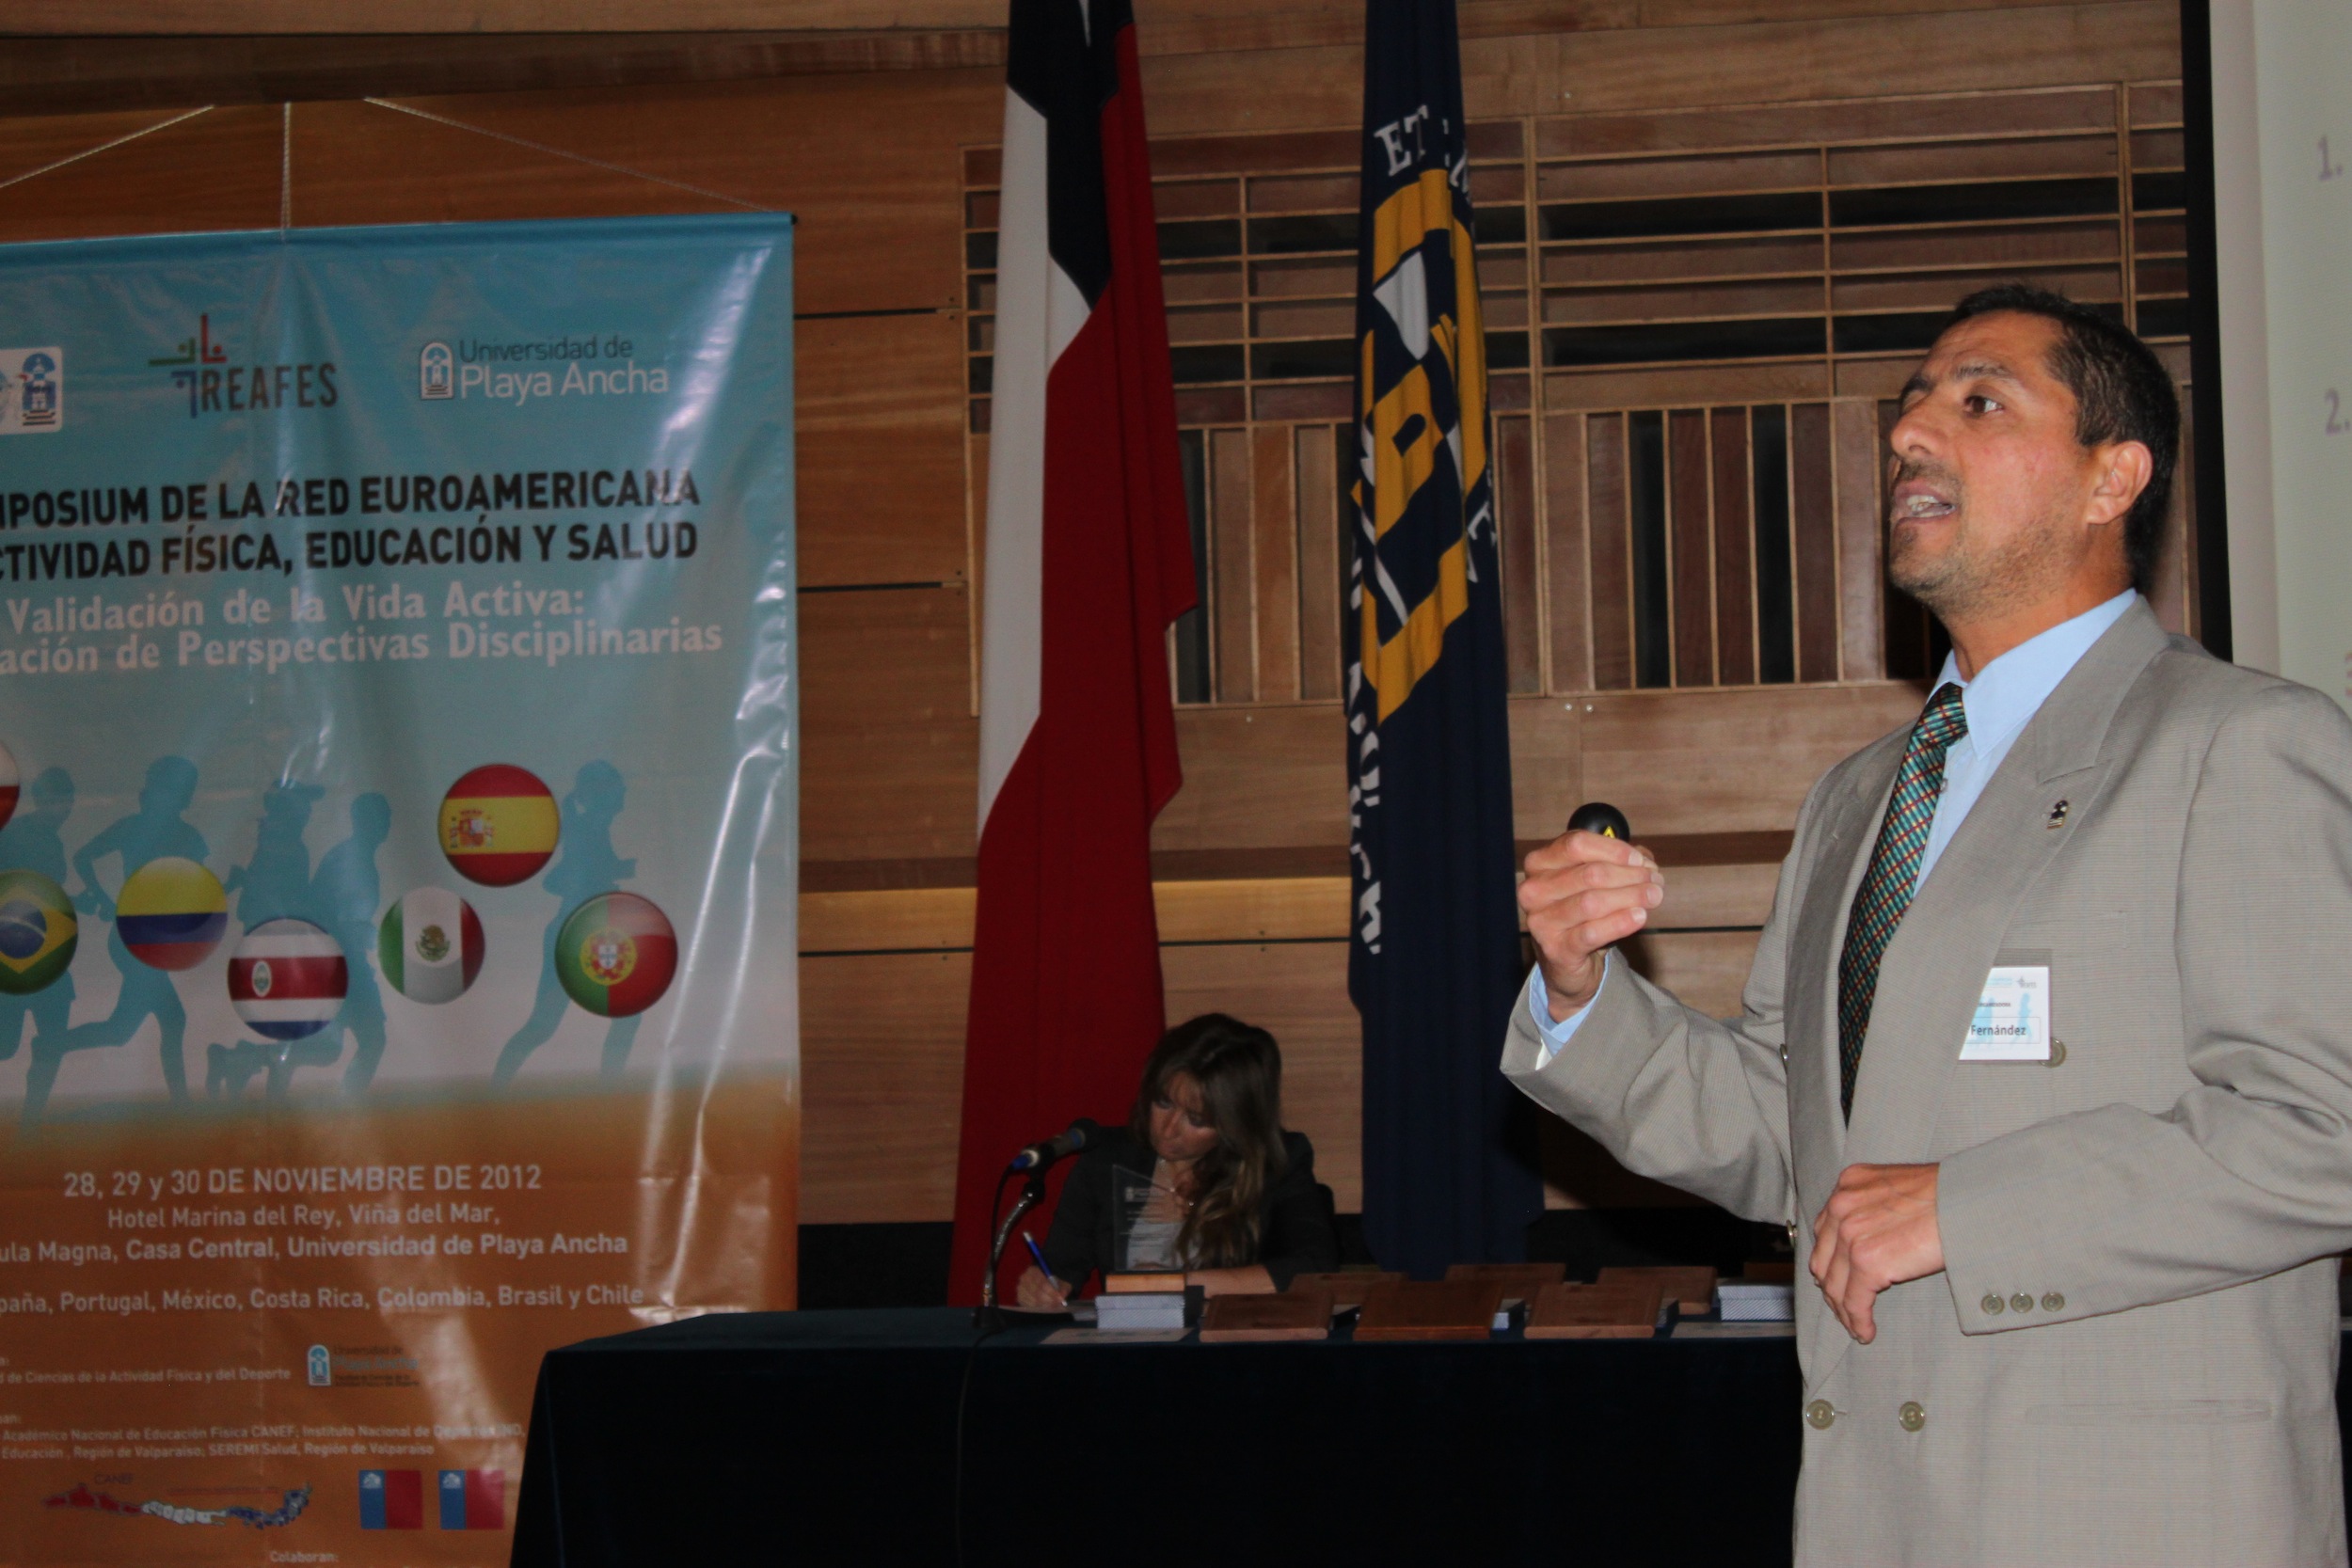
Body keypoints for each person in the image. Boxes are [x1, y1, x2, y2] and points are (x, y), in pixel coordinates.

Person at [1508, 284, 2352, 1565]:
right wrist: (1581, 994)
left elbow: (2324, 1130)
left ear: (2111, 477)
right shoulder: (1859, 798)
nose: (1908, 431)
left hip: (2135, 1518)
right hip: (1878, 1517)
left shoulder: (2236, 744)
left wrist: (1971, 1211)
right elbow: (1792, 1133)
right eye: (1910, 404)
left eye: (1980, 400)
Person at [1014, 1013, 1340, 1306]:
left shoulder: (1276, 1163)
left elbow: (1313, 1266)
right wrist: (1041, 1288)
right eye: (1164, 1103)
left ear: (1236, 1124)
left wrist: (1176, 1284)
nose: (1168, 1130)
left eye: (1196, 1120)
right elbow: (1060, 1269)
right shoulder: (1106, 1160)